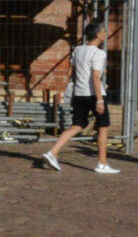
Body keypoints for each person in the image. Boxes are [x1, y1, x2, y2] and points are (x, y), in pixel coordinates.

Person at [42, 22, 118, 174]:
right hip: (94, 95)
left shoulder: (77, 50)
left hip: (79, 93)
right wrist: (100, 100)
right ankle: (102, 163)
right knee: (103, 127)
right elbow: (95, 77)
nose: (105, 34)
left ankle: (52, 152)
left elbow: (74, 71)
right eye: (104, 31)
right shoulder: (99, 53)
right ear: (98, 35)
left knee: (76, 126)